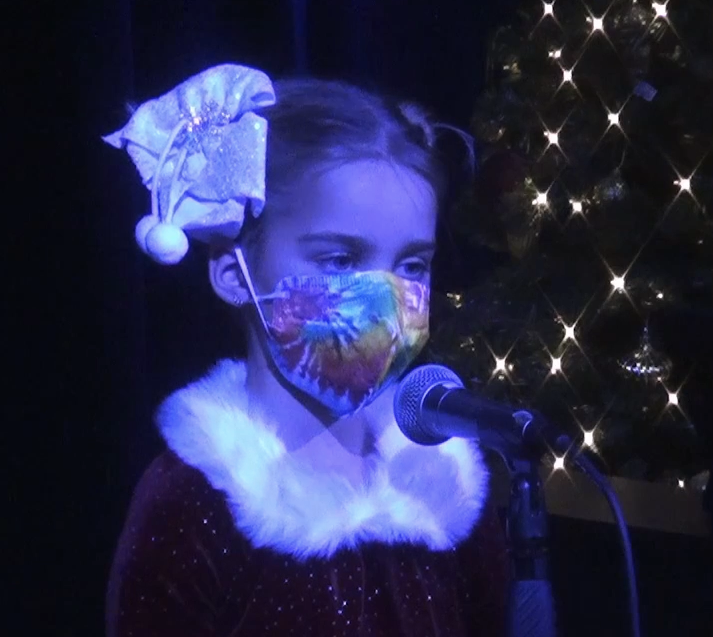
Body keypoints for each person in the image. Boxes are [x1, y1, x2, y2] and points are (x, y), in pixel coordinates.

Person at [104, 64, 510, 636]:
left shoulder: (445, 489)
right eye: (340, 259)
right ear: (234, 272)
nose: (385, 298)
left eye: (412, 264)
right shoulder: (192, 506)